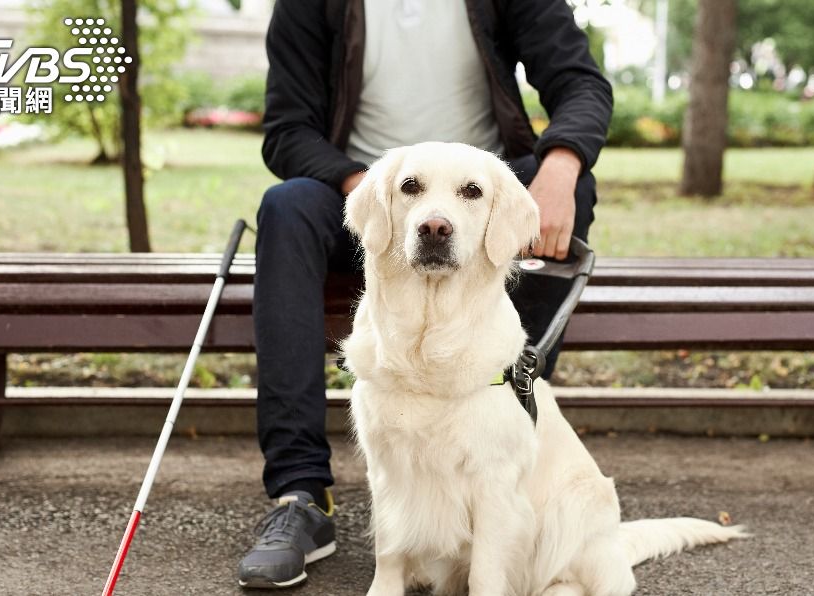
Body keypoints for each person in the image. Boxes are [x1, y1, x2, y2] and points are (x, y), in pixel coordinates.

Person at [238, 0, 613, 588]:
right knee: (284, 206)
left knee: (570, 188)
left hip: (481, 197)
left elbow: (580, 83)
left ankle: (509, 447)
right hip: (368, 194)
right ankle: (300, 497)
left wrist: (563, 166)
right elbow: (287, 131)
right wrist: (383, 189)